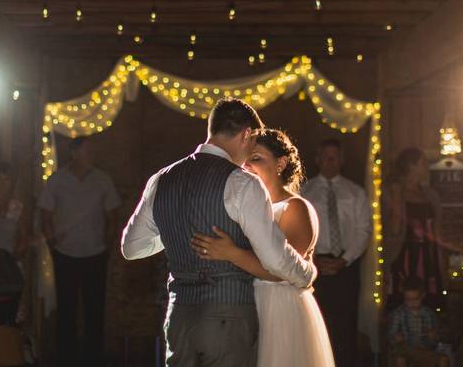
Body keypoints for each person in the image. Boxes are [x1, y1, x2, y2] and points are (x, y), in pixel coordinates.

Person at [121, 98, 317, 366]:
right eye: (253, 143)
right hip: (229, 316)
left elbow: (131, 248)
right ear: (247, 134)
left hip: (179, 316)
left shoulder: (162, 178)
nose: (249, 154)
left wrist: (177, 229)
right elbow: (274, 259)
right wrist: (306, 273)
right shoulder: (242, 183)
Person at [190, 129, 335, 367]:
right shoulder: (245, 207)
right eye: (244, 160)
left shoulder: (295, 208)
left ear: (281, 163)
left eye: (256, 159)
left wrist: (231, 253)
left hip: (278, 307)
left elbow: (284, 270)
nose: (246, 166)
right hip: (242, 305)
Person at [39, 137, 121, 367]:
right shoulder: (57, 180)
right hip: (65, 254)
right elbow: (45, 213)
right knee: (66, 308)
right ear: (74, 153)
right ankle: (66, 358)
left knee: (94, 308)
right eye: (86, 150)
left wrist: (107, 242)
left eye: (92, 150)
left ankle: (93, 358)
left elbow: (112, 214)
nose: (91, 154)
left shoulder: (102, 180)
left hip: (95, 253)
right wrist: (52, 242)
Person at [301, 138, 371, 367]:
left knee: (346, 324)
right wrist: (313, 259)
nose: (331, 162)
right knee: (317, 323)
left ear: (342, 161)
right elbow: (298, 229)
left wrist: (344, 260)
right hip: (314, 266)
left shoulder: (355, 192)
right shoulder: (304, 191)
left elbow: (363, 230)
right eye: (326, 157)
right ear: (318, 160)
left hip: (346, 266)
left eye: (335, 157)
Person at [386, 148, 447, 309]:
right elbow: (394, 228)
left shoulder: (430, 194)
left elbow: (437, 229)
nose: (427, 166)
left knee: (429, 304)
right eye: (423, 163)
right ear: (410, 166)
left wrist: (442, 262)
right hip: (405, 255)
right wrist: (397, 196)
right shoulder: (393, 192)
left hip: (429, 255)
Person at [388, 277, 448, 367]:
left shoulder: (429, 314)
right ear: (404, 297)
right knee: (400, 357)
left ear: (422, 296)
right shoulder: (398, 313)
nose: (412, 303)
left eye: (416, 299)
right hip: (405, 349)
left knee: (443, 360)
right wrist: (395, 338)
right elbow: (391, 334)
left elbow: (435, 340)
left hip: (423, 350)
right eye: (408, 300)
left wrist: (432, 337)